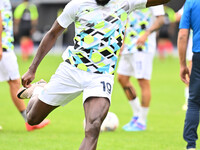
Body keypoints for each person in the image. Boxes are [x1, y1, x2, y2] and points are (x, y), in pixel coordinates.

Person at [18, 0, 170, 149]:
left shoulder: (125, 3)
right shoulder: (76, 5)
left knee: (93, 127)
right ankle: (39, 91)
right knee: (32, 118)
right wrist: (32, 69)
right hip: (72, 70)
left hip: (101, 77)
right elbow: (52, 34)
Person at [0, 0, 49, 131]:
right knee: (15, 82)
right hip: (4, 47)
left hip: (6, 46)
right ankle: (29, 120)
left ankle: (28, 120)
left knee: (14, 82)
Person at [117, 5, 165, 131]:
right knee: (122, 78)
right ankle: (137, 114)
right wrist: (121, 40)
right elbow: (125, 17)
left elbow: (161, 19)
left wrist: (146, 34)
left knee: (142, 81)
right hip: (128, 44)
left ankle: (142, 121)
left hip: (143, 46)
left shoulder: (155, 1)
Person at [178, 0, 200, 149]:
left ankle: (190, 145)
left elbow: (182, 35)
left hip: (198, 56)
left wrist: (182, 64)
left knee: (194, 102)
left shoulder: (191, 2)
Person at [175, 6, 193, 111]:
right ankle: (188, 100)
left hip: (195, 44)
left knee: (191, 72)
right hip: (194, 43)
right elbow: (177, 16)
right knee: (191, 73)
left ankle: (190, 102)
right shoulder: (191, 3)